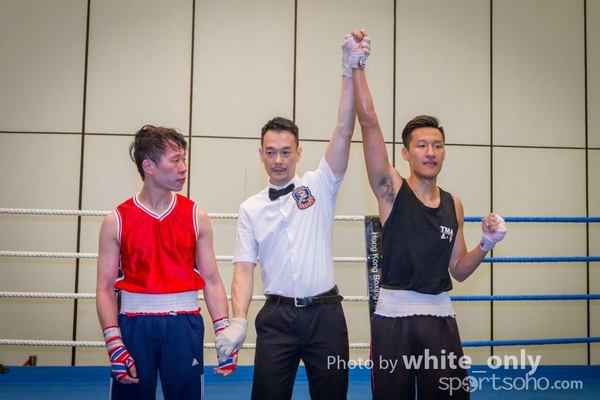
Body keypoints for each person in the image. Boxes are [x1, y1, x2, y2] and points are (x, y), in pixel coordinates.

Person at [350, 30, 507, 399]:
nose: (431, 152)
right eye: (421, 145)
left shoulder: (454, 205)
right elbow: (369, 121)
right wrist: (357, 66)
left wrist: (486, 243)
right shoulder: (391, 191)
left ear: (444, 152)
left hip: (440, 318)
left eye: (437, 145)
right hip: (393, 320)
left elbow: (459, 270)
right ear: (406, 153)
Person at [214, 33, 369, 400]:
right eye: (271, 152)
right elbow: (243, 269)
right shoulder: (250, 208)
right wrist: (238, 320)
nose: (278, 160)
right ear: (261, 154)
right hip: (277, 319)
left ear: (299, 153)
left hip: (325, 316)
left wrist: (348, 69)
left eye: (286, 152)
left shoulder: (320, 186)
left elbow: (344, 130)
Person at [95, 125, 233, 400]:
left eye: (184, 159)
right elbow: (105, 288)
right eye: (175, 160)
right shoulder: (117, 220)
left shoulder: (196, 216)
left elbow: (212, 280)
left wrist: (224, 333)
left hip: (184, 325)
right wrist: (114, 343)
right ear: (148, 166)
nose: (184, 167)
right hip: (134, 326)